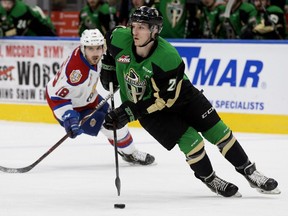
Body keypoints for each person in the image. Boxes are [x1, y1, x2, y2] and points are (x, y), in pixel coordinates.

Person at [100, 6, 281, 197]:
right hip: (147, 111)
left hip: (179, 97)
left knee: (220, 132)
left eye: (142, 27)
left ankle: (249, 171)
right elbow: (108, 39)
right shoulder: (120, 38)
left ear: (154, 30)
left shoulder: (167, 57)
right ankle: (211, 179)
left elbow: (164, 99)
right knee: (191, 141)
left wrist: (127, 112)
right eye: (134, 26)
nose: (135, 31)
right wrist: (108, 63)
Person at [45, 28, 155, 166]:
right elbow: (56, 97)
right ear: (83, 48)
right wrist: (69, 117)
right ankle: (129, 153)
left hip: (89, 98)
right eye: (91, 49)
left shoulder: (95, 56)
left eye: (98, 48)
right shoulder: (76, 73)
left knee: (116, 121)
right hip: (74, 107)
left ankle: (128, 152)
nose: (96, 53)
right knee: (113, 127)